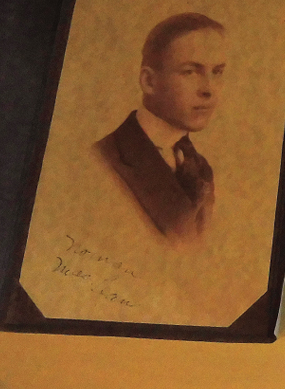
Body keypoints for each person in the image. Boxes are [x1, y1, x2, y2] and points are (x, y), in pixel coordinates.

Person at [95, 13, 225, 242]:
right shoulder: (104, 161)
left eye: (217, 72)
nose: (209, 89)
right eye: (190, 72)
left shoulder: (199, 167)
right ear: (149, 82)